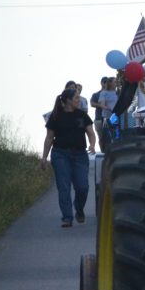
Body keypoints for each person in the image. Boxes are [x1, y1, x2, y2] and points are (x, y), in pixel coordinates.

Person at [41, 88, 96, 228]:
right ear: (67, 101)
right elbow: (49, 138)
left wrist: (92, 145)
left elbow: (91, 132)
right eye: (76, 98)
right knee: (64, 187)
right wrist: (44, 158)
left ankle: (79, 209)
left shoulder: (82, 115)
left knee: (82, 187)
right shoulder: (55, 116)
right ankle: (67, 217)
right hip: (60, 154)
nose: (79, 100)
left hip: (79, 155)